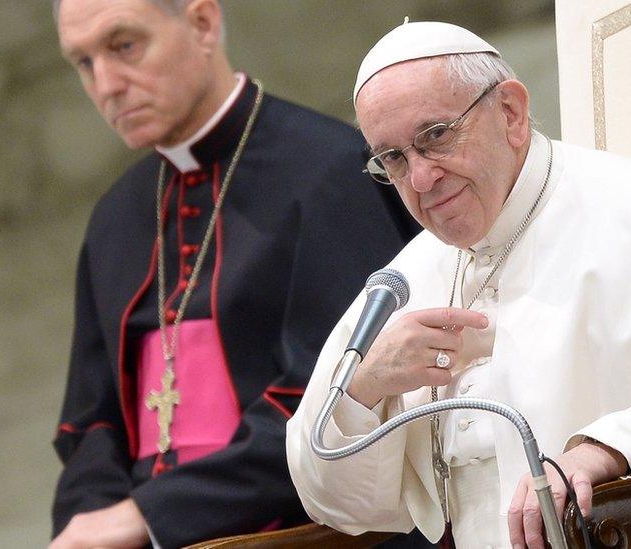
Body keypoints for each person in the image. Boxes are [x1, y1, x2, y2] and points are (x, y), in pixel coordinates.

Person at [286, 21, 631, 549]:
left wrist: (605, 450)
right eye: (393, 159)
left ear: (510, 111)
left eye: (435, 137)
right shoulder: (411, 276)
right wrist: (365, 387)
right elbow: (342, 505)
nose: (420, 178)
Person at [49, 1, 421, 547]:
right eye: (83, 62)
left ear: (202, 23)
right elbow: (90, 423)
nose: (106, 84)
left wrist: (148, 516)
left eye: (123, 45)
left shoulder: (332, 172)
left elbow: (335, 403)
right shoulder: (115, 217)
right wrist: (91, 522)